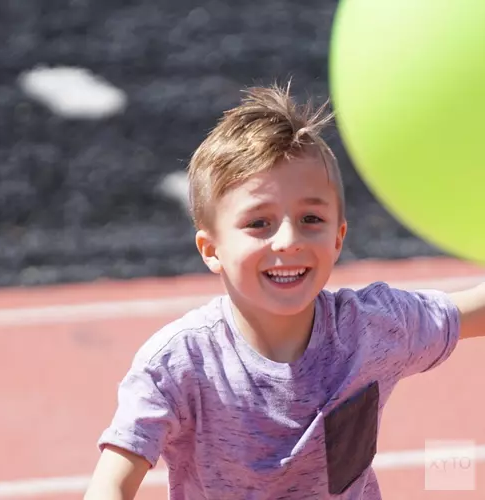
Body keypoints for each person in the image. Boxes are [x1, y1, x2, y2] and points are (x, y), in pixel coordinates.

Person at [83, 82, 485, 499]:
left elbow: (475, 310)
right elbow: (112, 481)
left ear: (337, 236)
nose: (288, 240)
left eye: (311, 218)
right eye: (259, 223)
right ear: (211, 249)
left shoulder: (373, 325)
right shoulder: (178, 363)